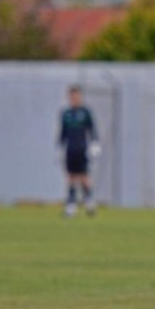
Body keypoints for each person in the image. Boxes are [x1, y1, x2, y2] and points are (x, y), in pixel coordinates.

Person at [58, 84, 100, 217]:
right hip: (70, 149)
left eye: (76, 96)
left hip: (82, 148)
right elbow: (62, 133)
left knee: (84, 176)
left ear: (80, 97)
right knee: (71, 177)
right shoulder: (66, 114)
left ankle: (89, 202)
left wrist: (94, 144)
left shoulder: (85, 112)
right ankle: (71, 204)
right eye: (72, 96)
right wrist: (59, 148)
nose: (74, 99)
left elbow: (92, 129)